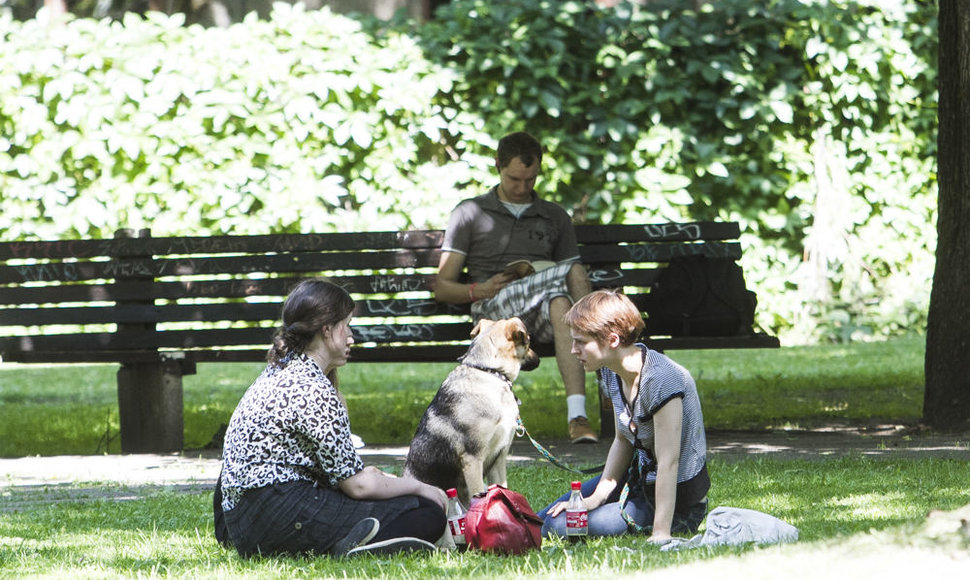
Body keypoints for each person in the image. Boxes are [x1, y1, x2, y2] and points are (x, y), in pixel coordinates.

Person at [213, 279, 447, 558]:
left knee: (399, 502)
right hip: (278, 516)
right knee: (427, 512)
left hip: (238, 522)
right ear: (327, 330)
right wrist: (420, 487)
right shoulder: (313, 388)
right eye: (345, 325)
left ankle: (353, 537)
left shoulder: (280, 369)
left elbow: (335, 472)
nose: (351, 336)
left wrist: (372, 478)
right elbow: (357, 486)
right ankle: (351, 546)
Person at [434, 131, 596, 444]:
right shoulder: (470, 212)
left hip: (542, 309)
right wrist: (479, 289)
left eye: (531, 180)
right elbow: (442, 287)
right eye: (514, 179)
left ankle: (578, 417)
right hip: (493, 310)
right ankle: (603, 342)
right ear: (497, 165)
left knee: (560, 301)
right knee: (573, 270)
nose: (523, 188)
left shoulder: (554, 216)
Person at [539, 290, 709, 542]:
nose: (573, 350)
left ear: (613, 340)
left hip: (679, 503)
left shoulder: (662, 380)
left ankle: (662, 523)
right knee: (542, 518)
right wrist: (596, 498)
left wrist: (661, 533)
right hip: (639, 480)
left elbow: (668, 463)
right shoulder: (611, 371)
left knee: (559, 526)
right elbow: (622, 440)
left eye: (581, 342)